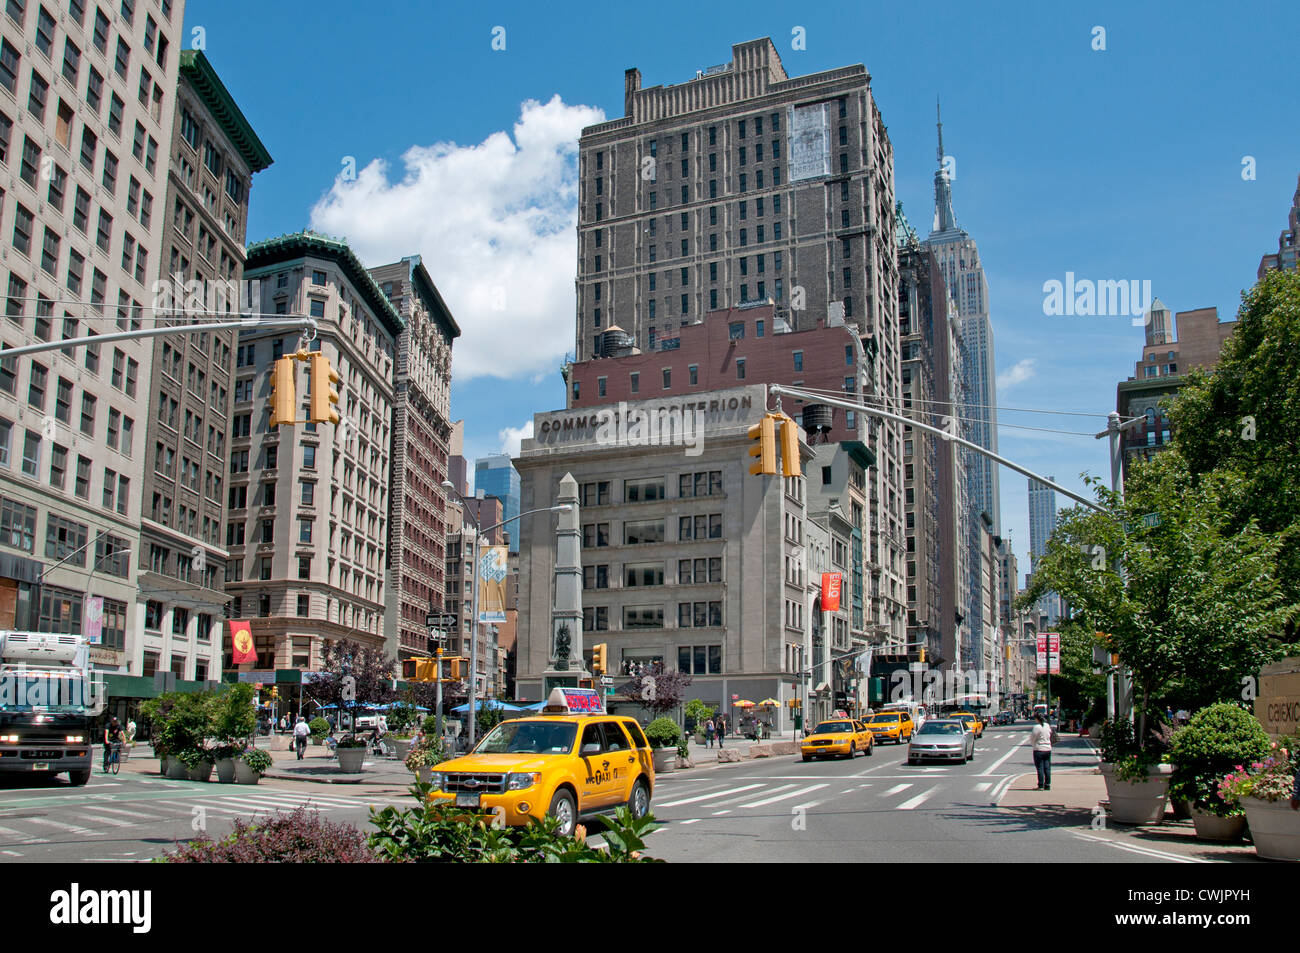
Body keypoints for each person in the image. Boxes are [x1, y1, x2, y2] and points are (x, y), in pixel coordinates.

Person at [1029, 713, 1056, 790]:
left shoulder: (1037, 727)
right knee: (1047, 767)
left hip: (1039, 749)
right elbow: (1049, 735)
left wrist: (1034, 745)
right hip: (1047, 748)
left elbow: (1032, 738)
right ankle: (1047, 784)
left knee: (1040, 767)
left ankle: (1040, 785)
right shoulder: (1047, 725)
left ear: (1037, 719)